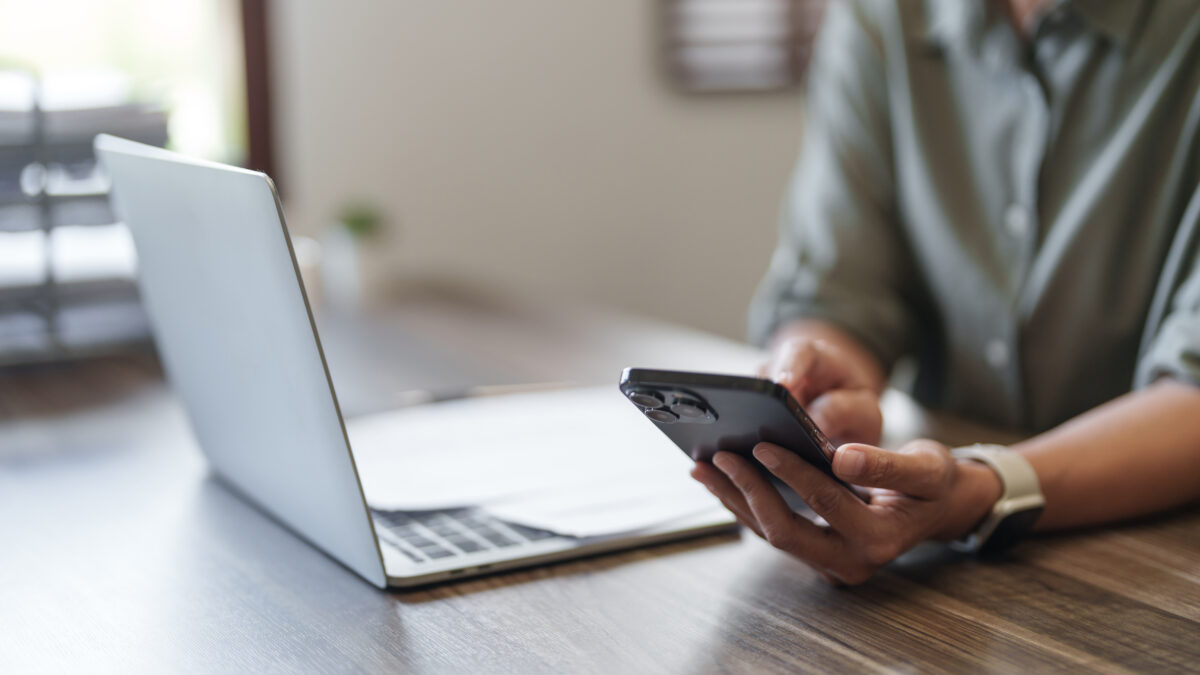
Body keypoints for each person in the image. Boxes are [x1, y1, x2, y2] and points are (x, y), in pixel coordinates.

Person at [690, 0, 1200, 585]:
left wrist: (982, 489)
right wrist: (817, 377)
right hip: (944, 560)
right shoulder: (881, 18)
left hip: (1158, 568)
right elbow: (839, 290)